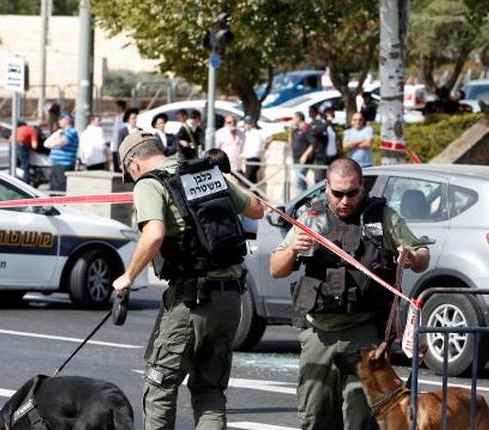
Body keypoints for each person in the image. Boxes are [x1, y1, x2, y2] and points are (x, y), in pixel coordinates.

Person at [112, 131, 264, 430]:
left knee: (160, 385)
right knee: (209, 388)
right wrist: (220, 178)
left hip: (191, 300)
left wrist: (127, 277)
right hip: (231, 298)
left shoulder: (150, 183)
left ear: (133, 163)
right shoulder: (204, 171)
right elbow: (256, 209)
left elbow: (153, 234)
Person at [269, 157, 430, 430]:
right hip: (319, 334)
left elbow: (422, 254)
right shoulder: (311, 216)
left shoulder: (381, 216)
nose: (345, 201)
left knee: (362, 418)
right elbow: (276, 269)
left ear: (362, 188)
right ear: (326, 187)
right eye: (338, 193)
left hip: (365, 334)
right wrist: (292, 248)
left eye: (352, 193)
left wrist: (412, 256)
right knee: (316, 416)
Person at [45, 112, 79, 192]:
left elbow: (60, 142)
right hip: (57, 165)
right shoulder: (61, 132)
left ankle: (59, 204)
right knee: (54, 189)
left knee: (60, 189)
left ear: (67, 120)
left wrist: (54, 143)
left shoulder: (71, 131)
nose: (59, 121)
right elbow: (46, 144)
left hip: (64, 165)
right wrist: (56, 134)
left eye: (61, 119)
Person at [240, 115, 268, 184]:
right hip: (249, 159)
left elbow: (256, 148)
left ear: (252, 124)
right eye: (246, 123)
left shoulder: (256, 133)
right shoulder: (247, 133)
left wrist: (244, 154)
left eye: (248, 123)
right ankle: (256, 194)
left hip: (254, 159)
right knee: (252, 180)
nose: (246, 125)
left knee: (246, 180)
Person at [288, 112, 310, 194]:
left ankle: (300, 205)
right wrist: (290, 133)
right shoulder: (296, 130)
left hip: (303, 160)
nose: (293, 120)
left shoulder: (307, 128)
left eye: (294, 118)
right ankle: (305, 204)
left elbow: (313, 143)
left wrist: (305, 155)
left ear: (298, 118)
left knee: (298, 183)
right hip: (296, 160)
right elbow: (291, 145)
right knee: (301, 183)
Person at [110, 100, 127, 172]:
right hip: (115, 146)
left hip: (120, 146)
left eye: (116, 107)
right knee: (116, 168)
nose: (115, 108)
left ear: (120, 107)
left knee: (120, 169)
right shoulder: (117, 118)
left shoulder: (124, 118)